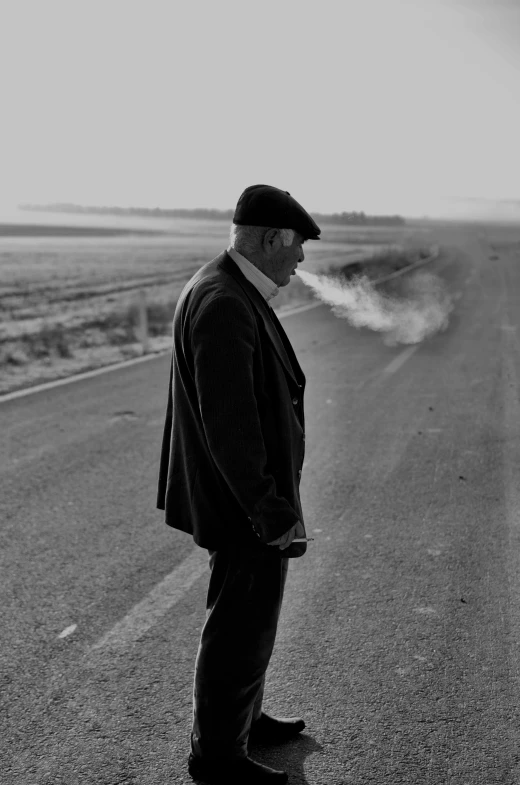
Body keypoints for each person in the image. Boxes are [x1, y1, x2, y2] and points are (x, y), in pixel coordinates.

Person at [157, 184, 321, 784]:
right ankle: (217, 757)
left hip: (241, 500)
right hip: (240, 505)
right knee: (238, 628)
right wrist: (271, 512)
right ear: (272, 238)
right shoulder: (224, 300)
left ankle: (242, 720)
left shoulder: (232, 288)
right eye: (298, 245)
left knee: (249, 620)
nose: (301, 258)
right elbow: (232, 431)